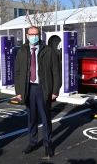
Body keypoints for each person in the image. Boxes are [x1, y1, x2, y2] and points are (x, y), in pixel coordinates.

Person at [15, 26, 61, 157]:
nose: (34, 36)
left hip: (43, 88)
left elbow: (56, 72)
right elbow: (17, 72)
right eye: (31, 34)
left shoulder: (49, 51)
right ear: (27, 36)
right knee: (31, 118)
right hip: (28, 88)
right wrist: (19, 90)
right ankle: (32, 142)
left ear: (39, 35)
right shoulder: (22, 51)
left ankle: (48, 145)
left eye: (36, 34)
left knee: (46, 118)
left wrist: (55, 90)